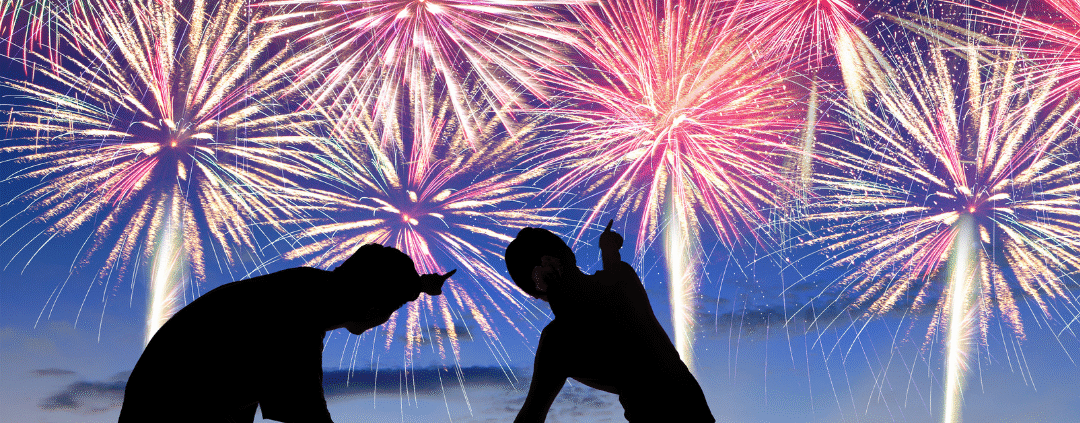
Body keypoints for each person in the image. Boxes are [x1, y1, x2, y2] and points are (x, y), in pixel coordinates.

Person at [118, 244, 455, 423]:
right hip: (172, 412)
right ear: (374, 309)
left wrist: (423, 285)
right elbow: (305, 410)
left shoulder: (309, 289)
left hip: (172, 398)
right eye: (391, 309)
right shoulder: (300, 317)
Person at [505, 221, 714, 422]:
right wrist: (608, 246)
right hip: (696, 410)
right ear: (567, 254)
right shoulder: (623, 279)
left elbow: (531, 415)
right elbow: (611, 271)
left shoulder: (558, 341)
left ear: (537, 282)